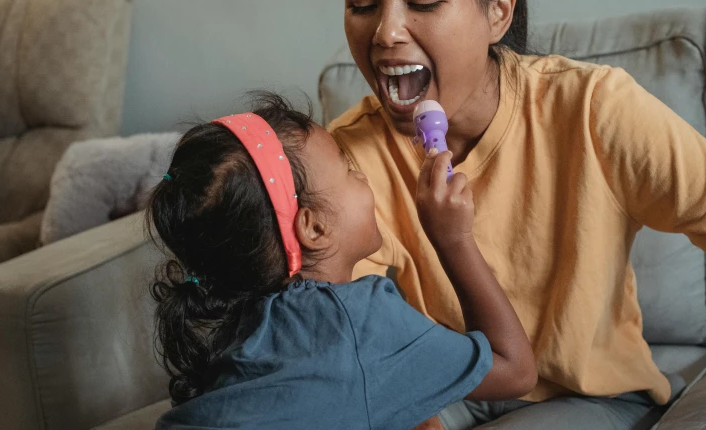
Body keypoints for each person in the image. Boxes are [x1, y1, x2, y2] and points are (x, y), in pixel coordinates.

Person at [329, 0, 706, 428]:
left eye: (423, 1)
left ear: (499, 11)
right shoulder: (347, 160)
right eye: (361, 4)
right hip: (447, 389)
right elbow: (354, 349)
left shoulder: (593, 109)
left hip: (586, 395)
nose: (385, 31)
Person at [147, 92, 537, 430]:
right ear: (313, 228)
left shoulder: (236, 332)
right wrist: (454, 239)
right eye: (349, 170)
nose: (364, 177)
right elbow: (517, 371)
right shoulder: (361, 321)